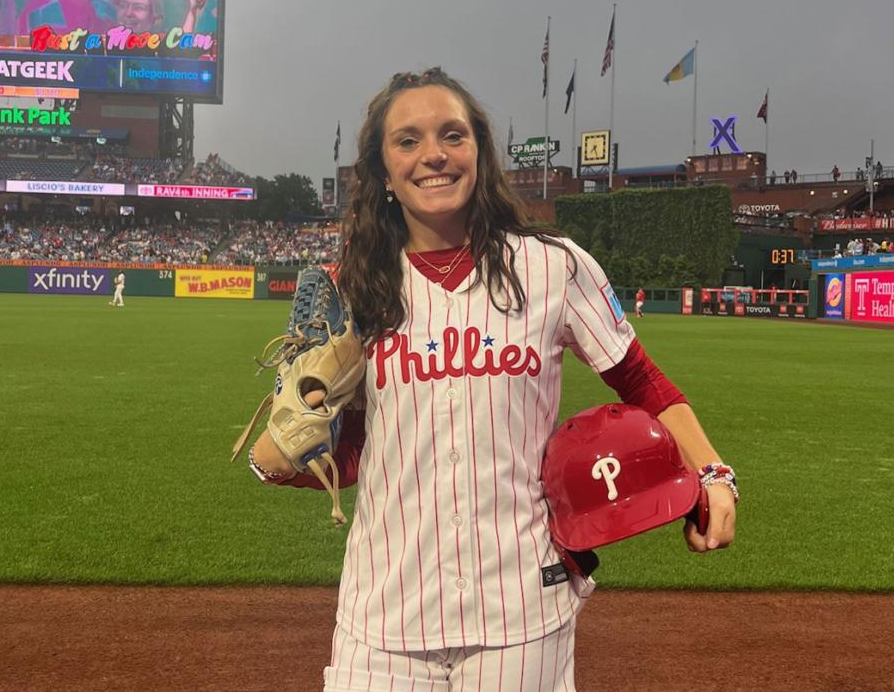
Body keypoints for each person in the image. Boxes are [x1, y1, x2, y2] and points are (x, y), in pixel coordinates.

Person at [246, 68, 737, 691]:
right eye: (408, 140)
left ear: (479, 151)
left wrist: (715, 475)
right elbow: (360, 458)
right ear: (382, 172)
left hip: (522, 608)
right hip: (383, 614)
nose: (434, 155)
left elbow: (642, 381)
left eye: (453, 135)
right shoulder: (354, 292)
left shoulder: (552, 268)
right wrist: (286, 458)